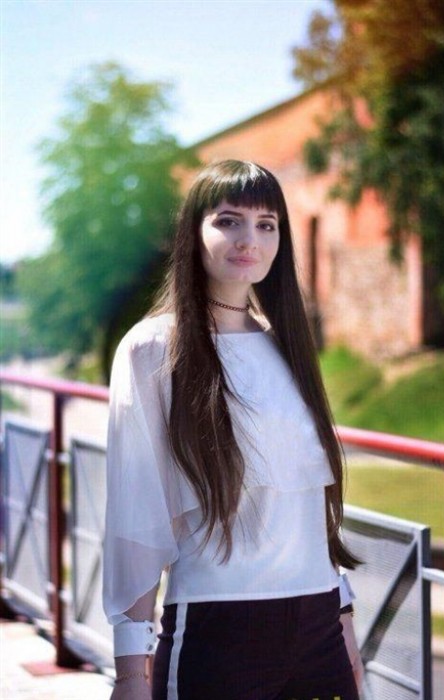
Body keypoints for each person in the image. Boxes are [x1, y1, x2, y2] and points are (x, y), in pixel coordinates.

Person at [103, 159, 363, 700]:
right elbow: (136, 517)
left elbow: (310, 507)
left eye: (267, 224)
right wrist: (130, 672)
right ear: (192, 232)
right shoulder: (152, 349)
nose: (250, 239)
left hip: (318, 627)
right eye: (228, 220)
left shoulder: (286, 345)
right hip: (217, 628)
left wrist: (345, 633)